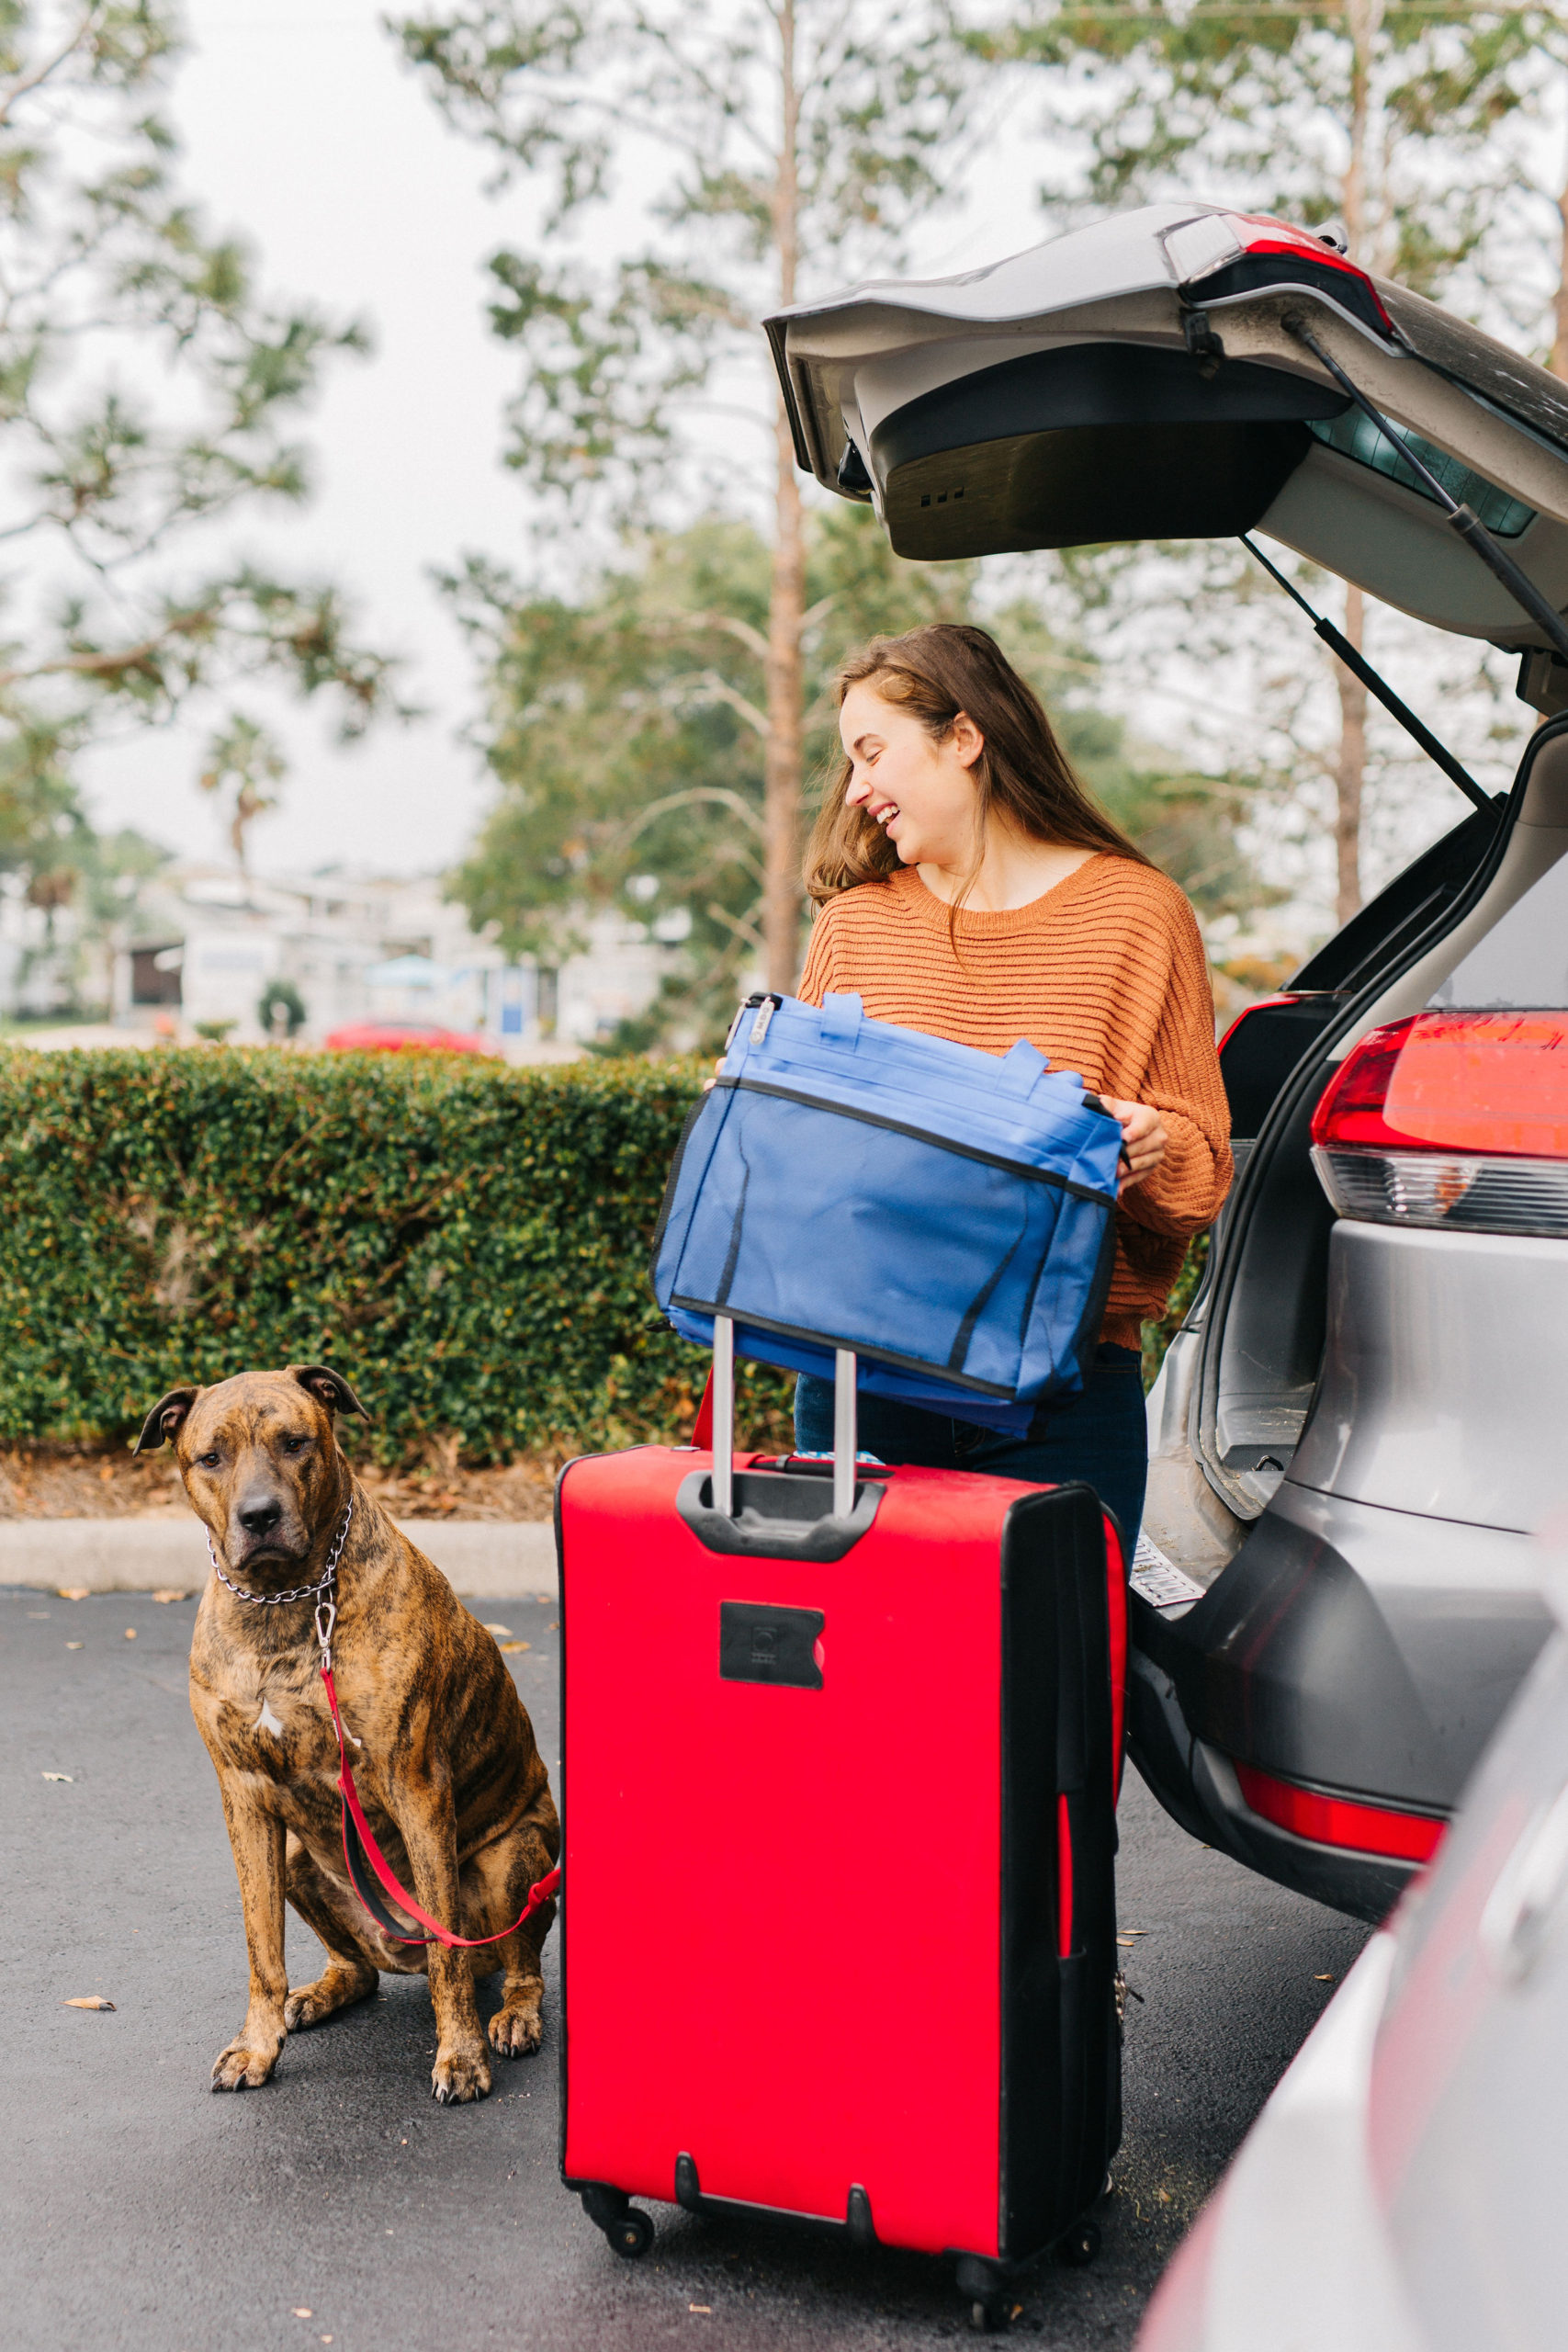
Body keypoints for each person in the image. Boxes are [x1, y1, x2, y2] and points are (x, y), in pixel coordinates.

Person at [791, 623, 1232, 1547]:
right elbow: (808, 1169)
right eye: (850, 763)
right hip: (862, 1380)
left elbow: (1201, 1177)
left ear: (963, 736)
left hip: (1064, 1396)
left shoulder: (1139, 915)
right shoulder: (856, 927)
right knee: (870, 1647)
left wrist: (1150, 1146)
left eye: (872, 752)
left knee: (1053, 1646)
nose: (855, 788)